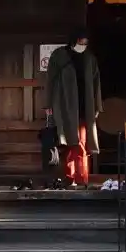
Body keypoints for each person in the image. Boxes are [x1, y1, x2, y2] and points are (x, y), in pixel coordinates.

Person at [44, 28, 101, 186]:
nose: (83, 45)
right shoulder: (59, 56)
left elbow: (96, 83)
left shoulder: (89, 58)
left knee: (80, 142)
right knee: (68, 143)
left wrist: (97, 106)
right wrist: (48, 104)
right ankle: (70, 177)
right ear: (74, 40)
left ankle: (81, 178)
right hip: (64, 104)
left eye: (85, 42)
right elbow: (50, 80)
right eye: (81, 42)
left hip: (84, 106)